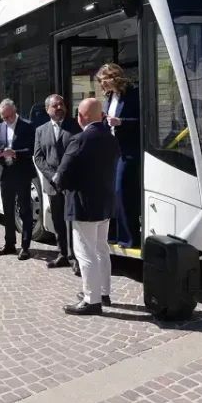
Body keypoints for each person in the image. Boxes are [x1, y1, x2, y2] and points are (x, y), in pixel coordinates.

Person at [56, 98, 120, 316]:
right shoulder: (111, 139)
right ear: (101, 116)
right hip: (105, 203)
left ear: (80, 117)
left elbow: (62, 173)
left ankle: (92, 300)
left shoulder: (80, 139)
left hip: (83, 205)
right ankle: (103, 293)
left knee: (85, 253)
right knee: (102, 249)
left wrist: (61, 186)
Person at [33, 94, 81, 270]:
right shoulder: (40, 130)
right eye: (55, 105)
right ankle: (62, 254)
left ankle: (75, 257)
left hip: (71, 181)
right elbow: (38, 157)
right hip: (52, 183)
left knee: (73, 221)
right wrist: (53, 176)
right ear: (47, 110)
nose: (60, 108)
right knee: (58, 220)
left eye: (62, 104)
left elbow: (80, 151)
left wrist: (64, 174)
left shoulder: (75, 126)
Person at [99, 63, 141, 249]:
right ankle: (113, 235)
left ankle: (129, 237)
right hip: (113, 151)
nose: (102, 84)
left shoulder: (133, 93)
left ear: (112, 77)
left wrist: (121, 122)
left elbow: (143, 120)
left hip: (128, 151)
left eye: (103, 80)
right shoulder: (111, 97)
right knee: (112, 193)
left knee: (122, 192)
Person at [0, 99, 37, 260]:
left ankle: (25, 247)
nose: (8, 119)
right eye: (4, 117)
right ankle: (9, 244)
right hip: (5, 173)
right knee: (7, 210)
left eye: (10, 116)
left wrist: (16, 153)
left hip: (22, 173)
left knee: (24, 210)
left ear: (15, 111)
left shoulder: (28, 126)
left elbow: (33, 149)